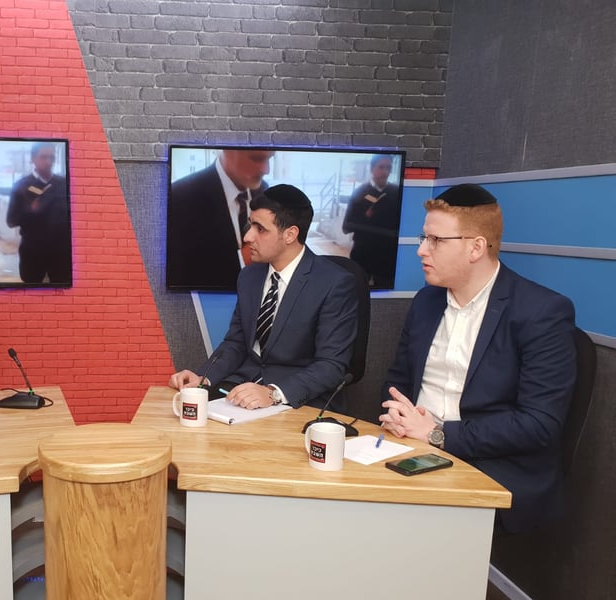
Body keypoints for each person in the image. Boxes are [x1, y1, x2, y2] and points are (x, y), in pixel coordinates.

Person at [379, 183, 576, 533]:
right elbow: (398, 380)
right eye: (424, 238)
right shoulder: (426, 302)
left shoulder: (541, 312)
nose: (421, 250)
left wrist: (438, 435)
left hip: (488, 465)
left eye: (435, 240)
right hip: (410, 448)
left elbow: (539, 424)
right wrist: (399, 415)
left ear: (476, 247)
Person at [169, 184, 359, 410]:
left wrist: (273, 393)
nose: (248, 236)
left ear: (290, 234)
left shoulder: (335, 283)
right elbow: (236, 343)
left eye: (260, 229)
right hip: (242, 387)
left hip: (299, 400)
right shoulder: (249, 276)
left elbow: (331, 366)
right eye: (250, 225)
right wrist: (204, 378)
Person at [167, 149, 274, 290]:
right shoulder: (179, 198)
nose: (266, 170)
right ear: (227, 151)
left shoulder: (265, 191)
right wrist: (243, 259)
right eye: (256, 158)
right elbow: (182, 278)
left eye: (269, 159)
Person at [6, 142, 71, 284]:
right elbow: (11, 220)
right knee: (31, 291)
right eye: (43, 157)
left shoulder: (64, 184)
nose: (48, 162)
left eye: (52, 157)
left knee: (62, 291)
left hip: (60, 253)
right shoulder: (21, 186)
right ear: (33, 158)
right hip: (33, 252)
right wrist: (30, 211)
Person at [342, 154, 401, 288]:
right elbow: (346, 226)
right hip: (363, 253)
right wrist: (365, 217)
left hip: (388, 255)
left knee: (386, 291)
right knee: (357, 290)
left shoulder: (396, 192)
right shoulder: (359, 193)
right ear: (372, 169)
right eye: (381, 167)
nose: (385, 172)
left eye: (388, 168)